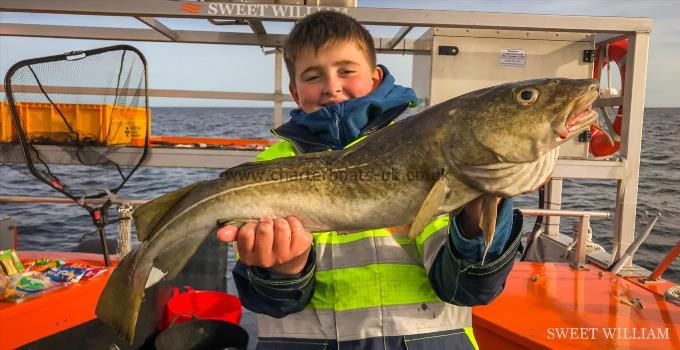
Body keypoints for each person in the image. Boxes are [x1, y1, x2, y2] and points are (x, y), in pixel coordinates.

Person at [217, 11, 524, 350]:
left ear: (376, 78)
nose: (332, 86)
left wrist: (476, 224)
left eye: (346, 71)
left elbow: (466, 288)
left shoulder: (427, 148)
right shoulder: (269, 168)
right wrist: (283, 271)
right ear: (294, 91)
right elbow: (270, 303)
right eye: (313, 76)